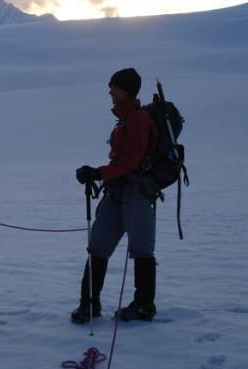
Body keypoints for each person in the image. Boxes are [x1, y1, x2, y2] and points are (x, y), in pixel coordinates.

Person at [72, 67, 161, 323]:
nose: (110, 91)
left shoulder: (138, 119)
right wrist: (99, 174)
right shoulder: (125, 119)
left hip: (136, 192)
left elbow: (131, 161)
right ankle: (89, 303)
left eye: (114, 87)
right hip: (118, 191)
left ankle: (144, 305)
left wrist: (98, 173)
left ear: (127, 90)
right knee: (98, 244)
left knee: (141, 249)